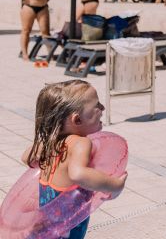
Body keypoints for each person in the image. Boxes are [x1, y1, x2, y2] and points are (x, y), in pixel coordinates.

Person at [21, 80, 127, 238]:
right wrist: (114, 185)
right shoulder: (81, 143)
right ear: (77, 120)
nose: (103, 108)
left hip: (49, 225)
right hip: (67, 229)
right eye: (97, 105)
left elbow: (26, 158)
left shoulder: (52, 142)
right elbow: (78, 174)